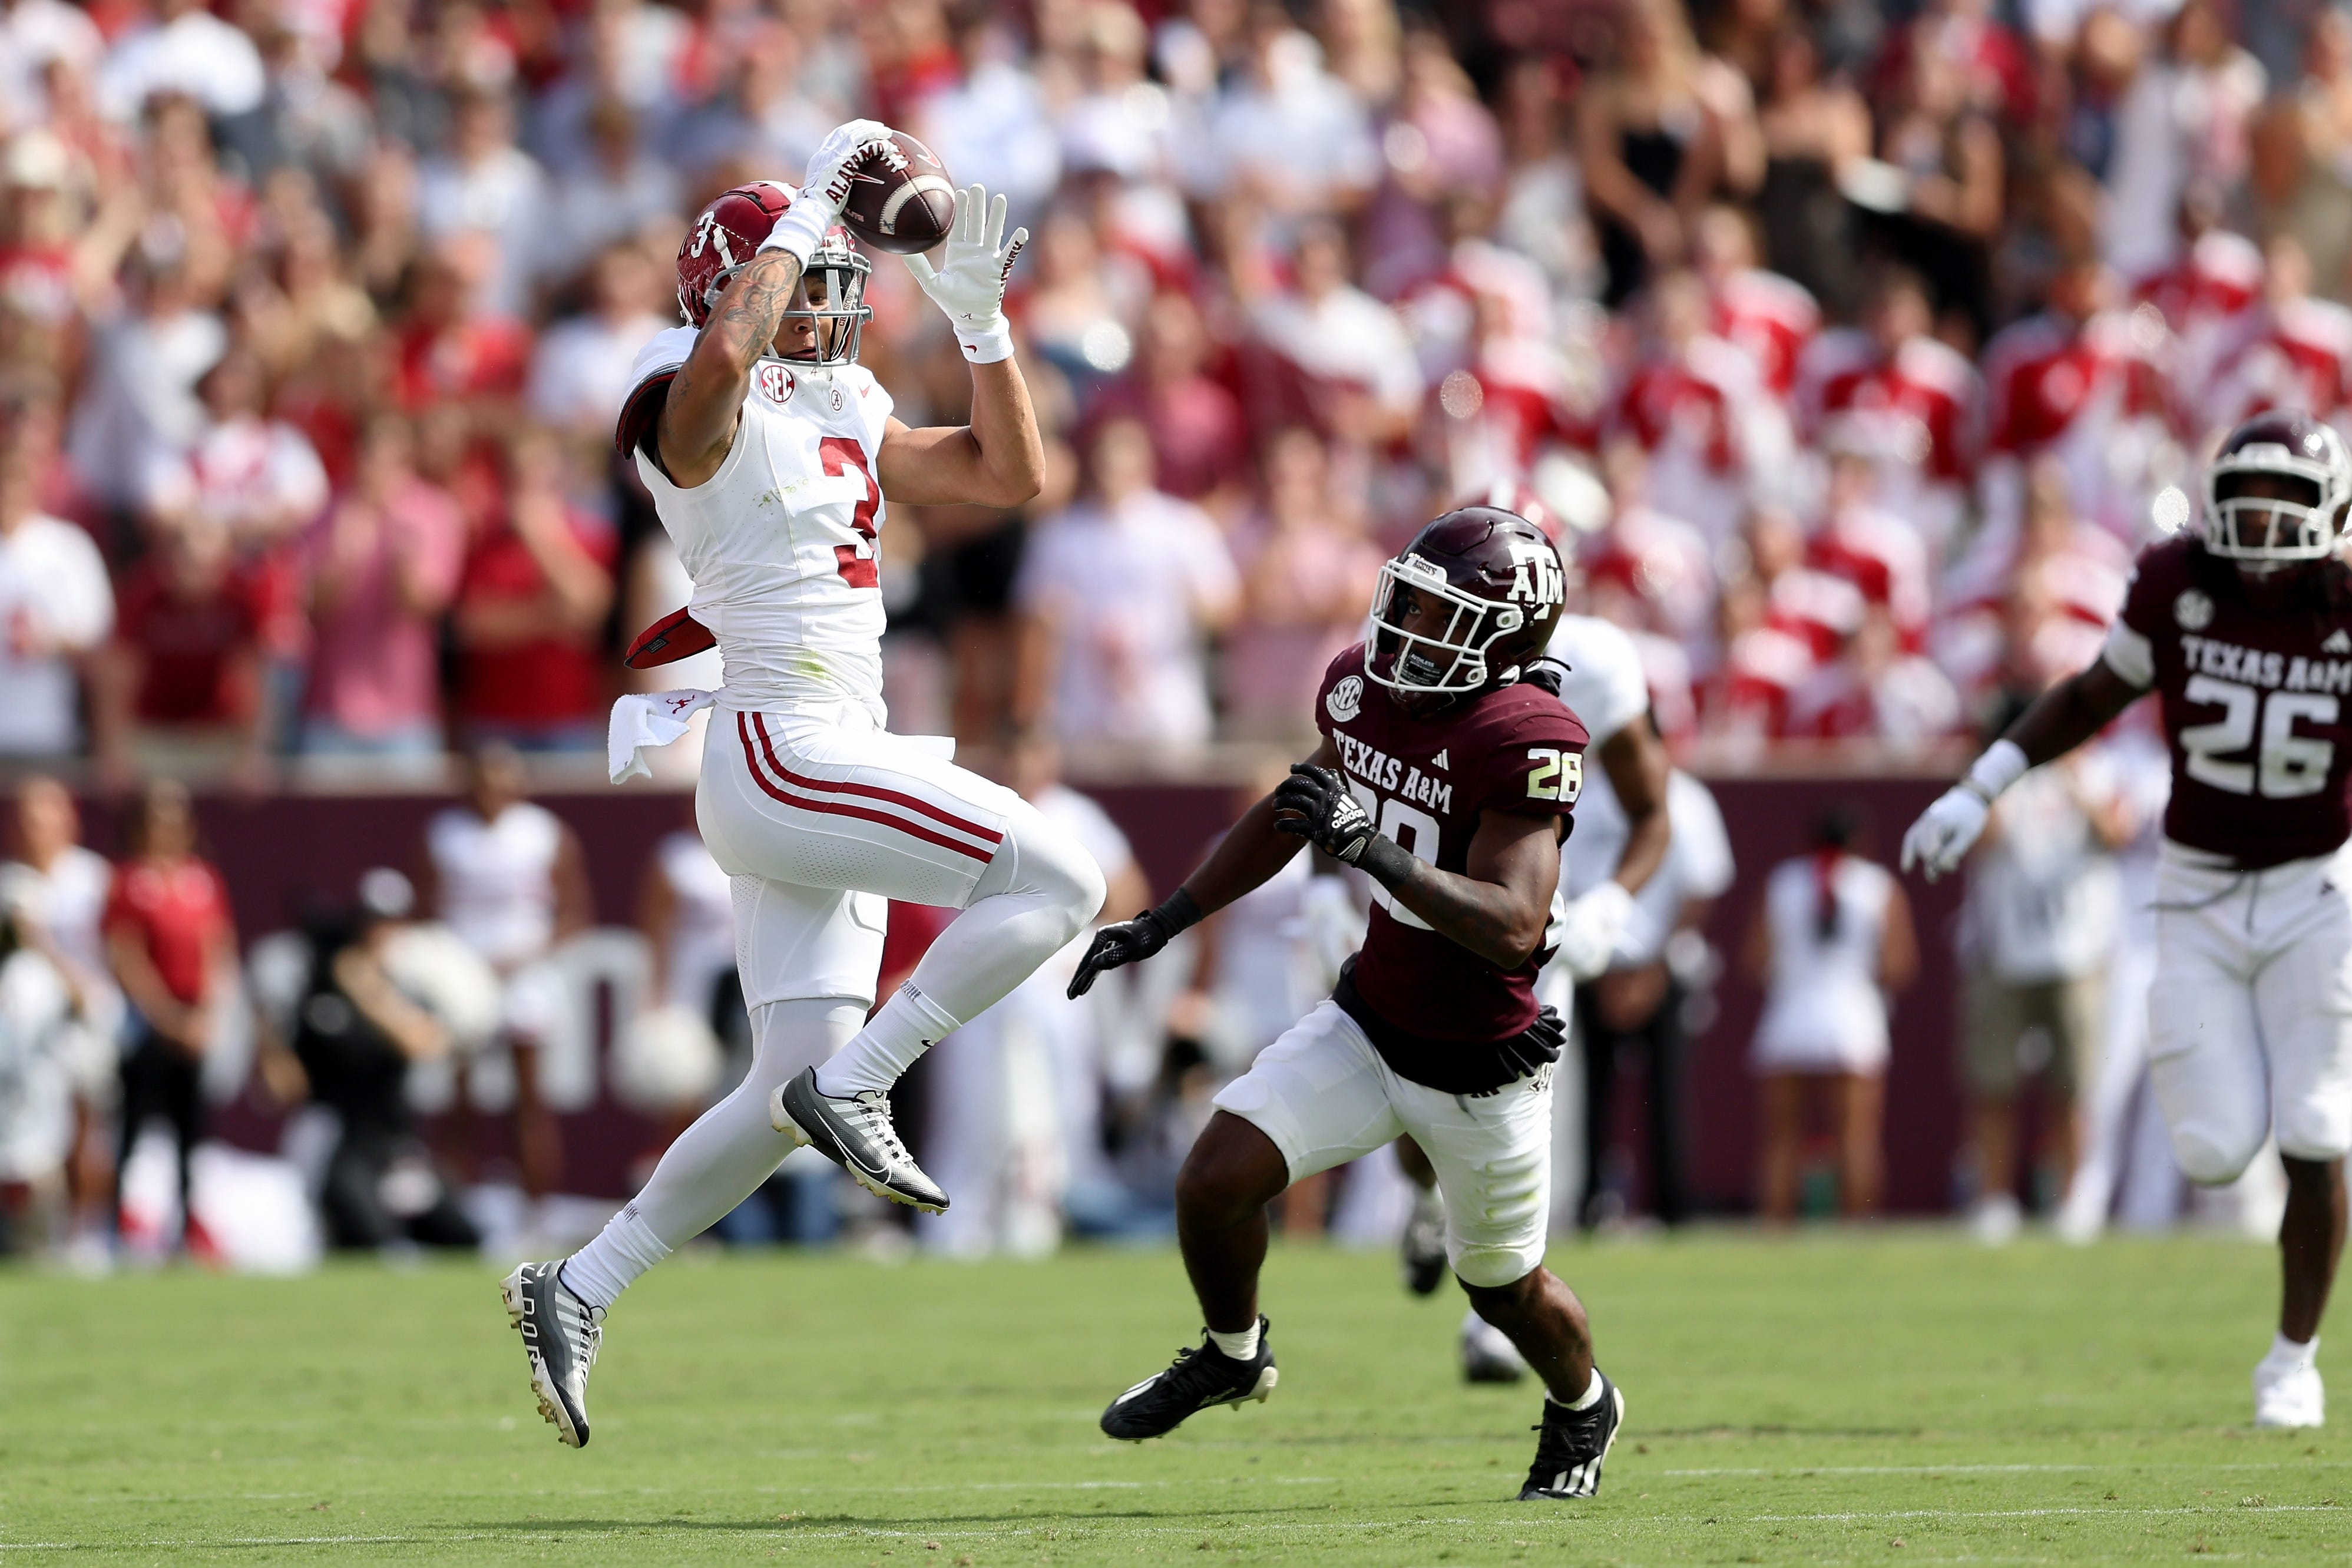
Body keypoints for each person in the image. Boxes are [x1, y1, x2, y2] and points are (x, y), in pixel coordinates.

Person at [502, 127, 1104, 1451]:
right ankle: (872, 1082)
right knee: (1069, 879)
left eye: (842, 276)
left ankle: (578, 1283)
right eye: (815, 277)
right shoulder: (684, 401)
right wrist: (802, 212)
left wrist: (986, 326)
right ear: (744, 281)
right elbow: (724, 358)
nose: (839, 299)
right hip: (783, 744)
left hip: (821, 747)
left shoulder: (846, 405)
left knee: (787, 1083)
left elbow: (1013, 479)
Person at [1069, 507, 1626, 1503]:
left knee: (1502, 1288)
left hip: (1480, 1063)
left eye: (1435, 611)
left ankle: (1583, 1402)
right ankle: (1234, 1353)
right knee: (1211, 1180)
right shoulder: (1369, 692)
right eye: (1402, 599)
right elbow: (1295, 808)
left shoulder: (1522, 735)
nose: (1404, 625)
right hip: (1369, 1022)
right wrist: (1163, 922)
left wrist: (1369, 846)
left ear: (1501, 634)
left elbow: (1510, 922)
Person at [1904, 411, 2352, 1428]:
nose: (2265, 525)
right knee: (2207, 1148)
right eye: (2248, 503)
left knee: (2317, 1125)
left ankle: (2291, 1359)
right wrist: (1981, 786)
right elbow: (2090, 693)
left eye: (2288, 505)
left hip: (2315, 887)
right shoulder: (2175, 582)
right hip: (2194, 887)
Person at [1394, 513, 1672, 1385]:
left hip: (1537, 921)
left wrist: (1612, 903)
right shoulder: (1418, 637)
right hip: (1433, 898)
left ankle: (1498, 1315)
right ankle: (1425, 1200)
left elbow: (1653, 809)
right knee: (1409, 1100)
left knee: (1532, 1120)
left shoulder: (1597, 660)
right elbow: (1358, 765)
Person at [282, 869, 480, 1253]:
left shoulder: (405, 987)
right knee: (369, 1238)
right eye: (372, 923)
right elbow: (288, 1081)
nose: (380, 934)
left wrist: (369, 991)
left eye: (389, 923)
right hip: (339, 1142)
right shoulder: (324, 996)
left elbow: (423, 1043)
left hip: (397, 1144)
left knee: (461, 1236)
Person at [1749, 805, 1917, 1223]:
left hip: (1790, 1018)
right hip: (1853, 1020)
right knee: (1856, 1138)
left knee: (1781, 1139)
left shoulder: (1783, 883)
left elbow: (1755, 960)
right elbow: (1898, 966)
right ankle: (1856, 1233)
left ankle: (1774, 1233)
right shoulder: (1878, 887)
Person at [103, 778, 235, 1256]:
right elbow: (127, 957)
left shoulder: (201, 880)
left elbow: (216, 950)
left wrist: (204, 1016)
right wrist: (167, 1019)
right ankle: (115, 1232)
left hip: (193, 1019)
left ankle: (184, 1232)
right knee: (133, 1127)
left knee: (190, 1133)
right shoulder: (129, 882)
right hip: (147, 1025)